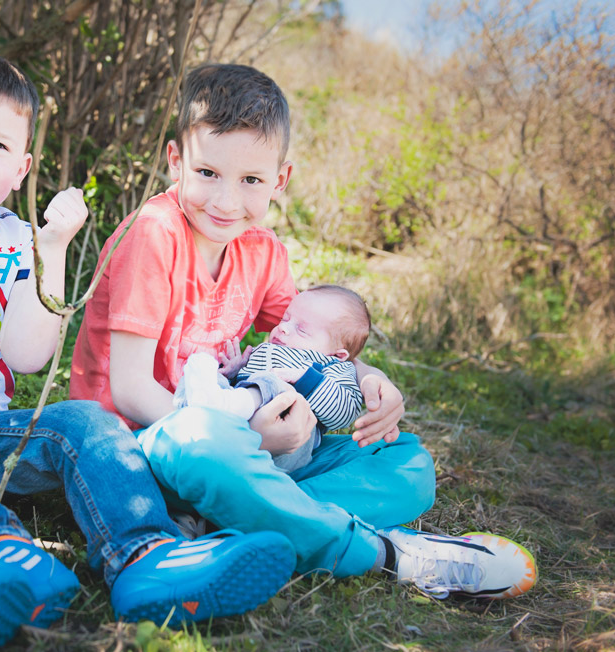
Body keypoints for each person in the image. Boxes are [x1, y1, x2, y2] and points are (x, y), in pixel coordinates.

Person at [0, 51, 298, 649]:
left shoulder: (13, 237)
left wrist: (48, 251)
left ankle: (146, 555)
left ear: (21, 170)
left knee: (87, 420)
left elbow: (28, 357)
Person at [70, 62, 537, 600]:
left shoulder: (261, 252)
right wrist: (250, 439)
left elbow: (306, 339)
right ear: (177, 160)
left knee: (409, 464)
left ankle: (230, 523)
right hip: (149, 444)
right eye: (207, 174)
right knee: (206, 446)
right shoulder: (153, 235)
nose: (225, 202)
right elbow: (129, 390)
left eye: (250, 181)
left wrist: (367, 375)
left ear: (279, 180)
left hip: (246, 450)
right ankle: (388, 554)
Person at [174, 284, 371, 472]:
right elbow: (249, 381)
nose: (283, 328)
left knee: (278, 385)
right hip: (243, 417)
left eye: (301, 330)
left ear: (337, 355)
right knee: (206, 376)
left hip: (286, 440)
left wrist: (304, 379)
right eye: (285, 319)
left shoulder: (334, 367)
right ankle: (194, 411)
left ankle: (222, 407)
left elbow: (345, 412)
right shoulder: (272, 349)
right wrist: (235, 370)